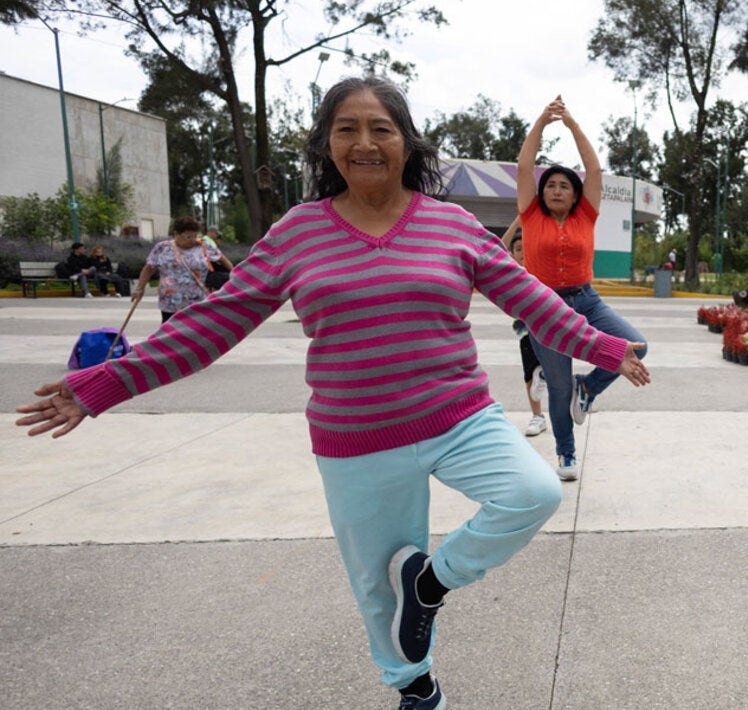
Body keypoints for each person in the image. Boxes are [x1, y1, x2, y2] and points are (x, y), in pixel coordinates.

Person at [15, 75, 649, 710]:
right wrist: (102, 385)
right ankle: (416, 686)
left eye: (382, 128)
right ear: (325, 146)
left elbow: (534, 300)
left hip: (461, 418)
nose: (365, 143)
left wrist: (607, 349)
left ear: (407, 143)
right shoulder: (299, 232)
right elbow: (215, 321)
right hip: (356, 437)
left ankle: (431, 583)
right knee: (376, 586)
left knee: (531, 493)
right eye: (347, 129)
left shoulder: (451, 225)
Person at [517, 96, 649, 481]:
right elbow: (526, 167)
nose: (557, 190)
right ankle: (566, 454)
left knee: (637, 344)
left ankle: (587, 389)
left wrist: (572, 124)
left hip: (586, 299)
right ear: (542, 193)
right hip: (544, 307)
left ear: (576, 195)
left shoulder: (586, 216)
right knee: (558, 387)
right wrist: (542, 120)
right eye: (551, 185)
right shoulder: (530, 214)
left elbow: (593, 168)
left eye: (564, 186)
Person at [132, 216, 234, 323]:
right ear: (176, 234)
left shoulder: (204, 245)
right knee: (170, 335)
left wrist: (236, 278)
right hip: (170, 303)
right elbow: (149, 268)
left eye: (195, 235)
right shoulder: (162, 248)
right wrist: (140, 288)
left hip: (198, 302)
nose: (192, 240)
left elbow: (223, 260)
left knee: (197, 335)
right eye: (188, 236)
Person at [503, 217, 549, 439]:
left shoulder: (541, 267)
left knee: (551, 368)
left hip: (550, 325)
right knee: (530, 373)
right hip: (526, 328)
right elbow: (498, 248)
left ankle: (547, 377)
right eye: (518, 249)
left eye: (526, 248)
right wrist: (517, 222)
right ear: (513, 254)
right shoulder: (511, 270)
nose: (523, 253)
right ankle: (538, 416)